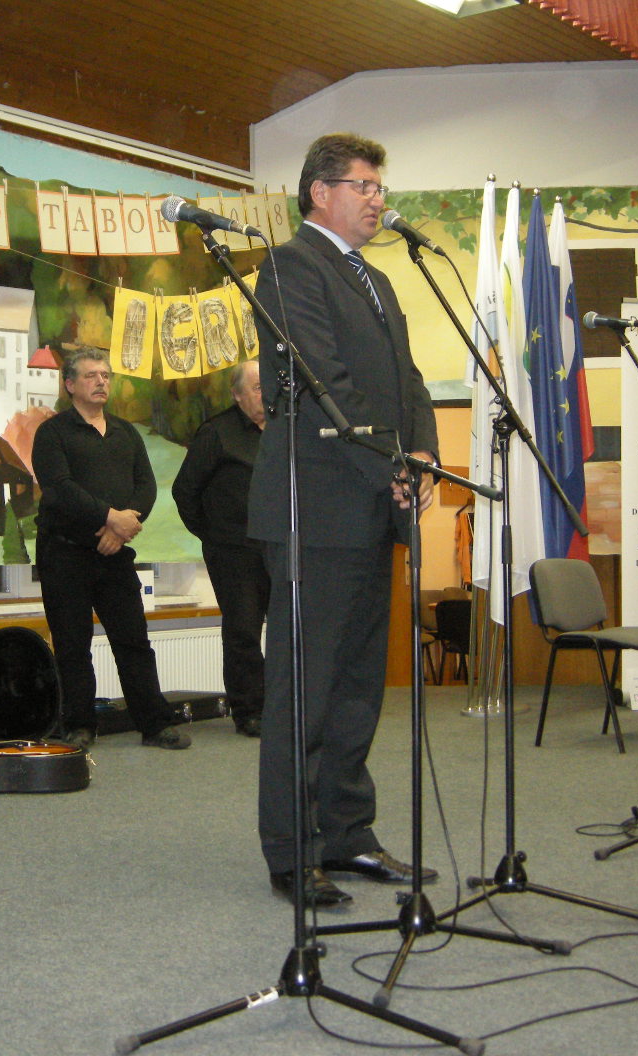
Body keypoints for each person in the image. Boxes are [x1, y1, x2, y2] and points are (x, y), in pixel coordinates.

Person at [249, 133, 439, 908]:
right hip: (317, 509)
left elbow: (408, 381)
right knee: (306, 690)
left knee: (359, 686)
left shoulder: (379, 279)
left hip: (371, 507)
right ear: (320, 192)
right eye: (364, 186)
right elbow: (325, 384)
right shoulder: (291, 266)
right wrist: (393, 466)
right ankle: (294, 852)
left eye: (379, 186)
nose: (378, 200)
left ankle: (348, 833)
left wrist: (422, 454)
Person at [31, 345, 190, 751]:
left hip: (115, 553)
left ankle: (154, 724)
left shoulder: (125, 432)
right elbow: (59, 489)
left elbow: (146, 486)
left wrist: (120, 528)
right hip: (64, 554)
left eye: (105, 375)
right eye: (91, 376)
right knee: (72, 645)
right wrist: (109, 517)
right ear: (70, 385)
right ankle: (80, 726)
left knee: (133, 641)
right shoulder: (52, 434)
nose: (101, 382)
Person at [171, 359, 268, 737]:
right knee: (243, 631)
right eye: (257, 387)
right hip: (234, 551)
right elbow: (185, 491)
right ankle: (250, 711)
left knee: (291, 630)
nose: (265, 394)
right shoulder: (217, 433)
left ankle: (285, 706)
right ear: (237, 394)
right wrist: (213, 536)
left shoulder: (286, 430)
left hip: (280, 548)